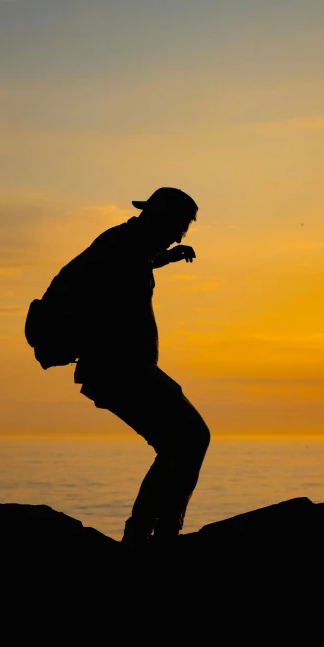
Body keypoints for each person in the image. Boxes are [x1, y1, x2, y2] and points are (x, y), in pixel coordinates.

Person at [74, 187, 211, 548]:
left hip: (123, 368)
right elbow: (116, 269)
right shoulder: (121, 245)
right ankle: (155, 534)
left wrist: (165, 258)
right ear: (160, 218)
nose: (181, 234)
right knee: (190, 437)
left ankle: (147, 533)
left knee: (178, 443)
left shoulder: (129, 245)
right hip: (118, 368)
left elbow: (136, 261)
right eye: (180, 225)